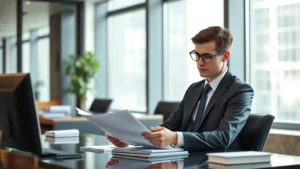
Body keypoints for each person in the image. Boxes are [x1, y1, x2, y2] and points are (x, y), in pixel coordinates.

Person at [105, 26, 254, 151]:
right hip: (185, 160)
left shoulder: (240, 91)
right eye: (197, 55)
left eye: (207, 57)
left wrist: (175, 137)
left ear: (225, 56)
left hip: (215, 163)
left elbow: (223, 137)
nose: (200, 63)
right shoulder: (194, 89)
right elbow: (169, 127)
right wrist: (130, 139)